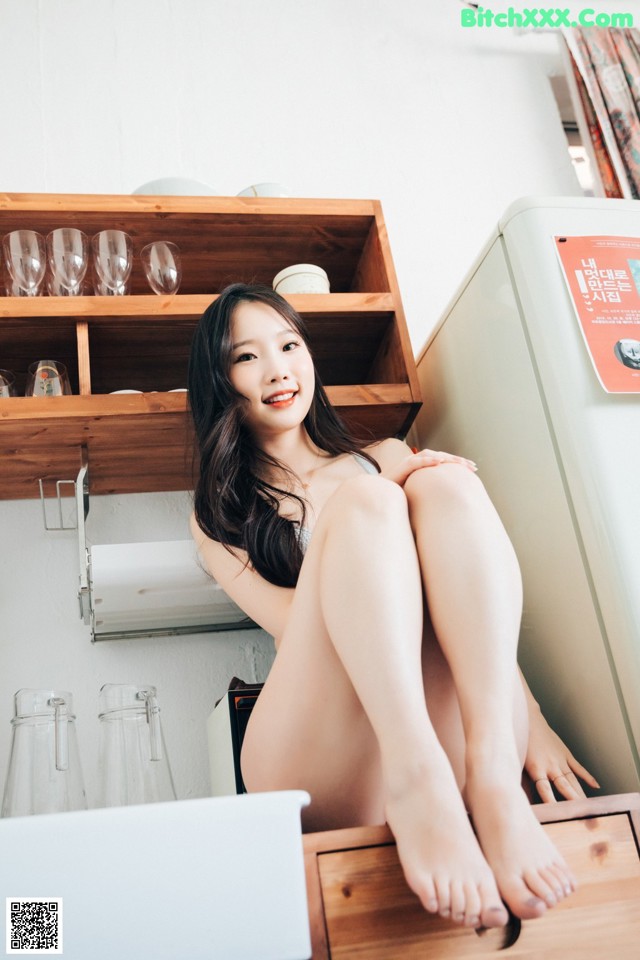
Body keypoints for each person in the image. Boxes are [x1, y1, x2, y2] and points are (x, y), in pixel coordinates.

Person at [188, 282, 599, 931]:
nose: (278, 368)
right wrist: (370, 498)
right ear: (219, 380)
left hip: (451, 732)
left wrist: (535, 719)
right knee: (372, 501)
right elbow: (296, 628)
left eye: (290, 344)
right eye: (246, 357)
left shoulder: (382, 457)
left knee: (447, 483)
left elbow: (461, 605)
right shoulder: (218, 508)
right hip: (322, 751)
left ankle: (488, 780)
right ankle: (420, 782)